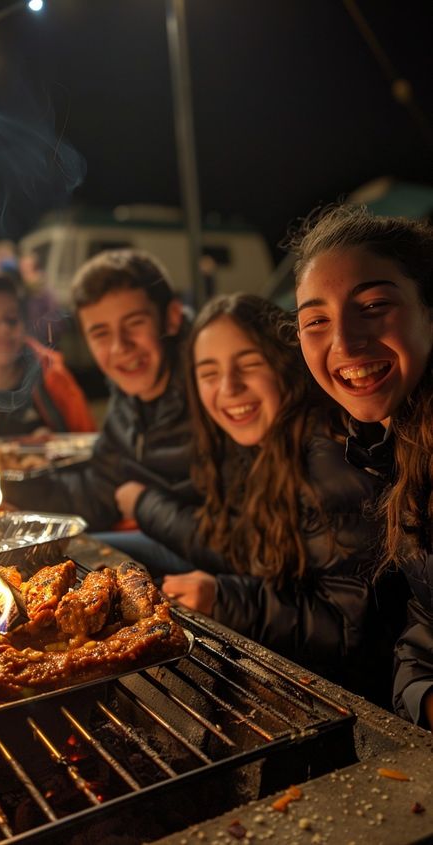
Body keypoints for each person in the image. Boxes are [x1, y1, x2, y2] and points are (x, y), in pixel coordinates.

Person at [160, 293, 404, 703]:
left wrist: (224, 598)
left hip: (357, 696)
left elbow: (349, 626)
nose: (229, 387)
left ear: (286, 362)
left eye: (249, 364)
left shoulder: (329, 454)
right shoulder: (253, 448)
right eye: (209, 372)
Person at [291, 204, 433, 727]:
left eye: (372, 306)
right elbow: (424, 625)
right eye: (316, 321)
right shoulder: (394, 446)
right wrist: (420, 693)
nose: (345, 342)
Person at [4, 249, 198, 570]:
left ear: (171, 317)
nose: (120, 348)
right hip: (169, 539)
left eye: (134, 324)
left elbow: (234, 536)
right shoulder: (129, 397)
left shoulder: (214, 388)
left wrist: (144, 505)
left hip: (222, 573)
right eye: (101, 333)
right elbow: (99, 490)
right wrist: (7, 489)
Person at [0, 269, 96, 439]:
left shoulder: (51, 377)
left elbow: (89, 447)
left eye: (12, 319)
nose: (3, 329)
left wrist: (55, 448)